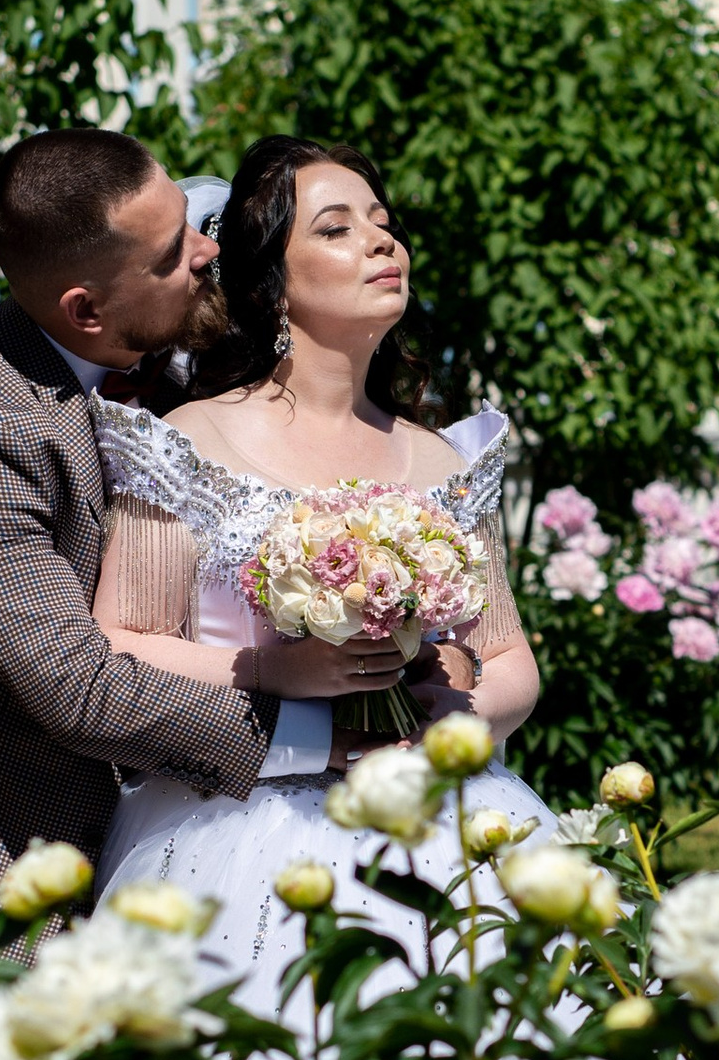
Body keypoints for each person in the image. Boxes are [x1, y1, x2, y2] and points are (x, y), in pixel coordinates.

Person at [0, 128, 344, 926]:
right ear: (87, 308)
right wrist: (326, 725)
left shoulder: (157, 358)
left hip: (164, 855)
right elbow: (81, 688)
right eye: (173, 252)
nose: (208, 251)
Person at [89, 134, 553, 1008]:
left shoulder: (443, 458)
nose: (382, 241)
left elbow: (513, 662)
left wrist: (448, 710)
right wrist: (275, 673)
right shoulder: (189, 441)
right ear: (273, 282)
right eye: (338, 229)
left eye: (383, 223)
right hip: (245, 830)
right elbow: (122, 643)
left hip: (442, 818)